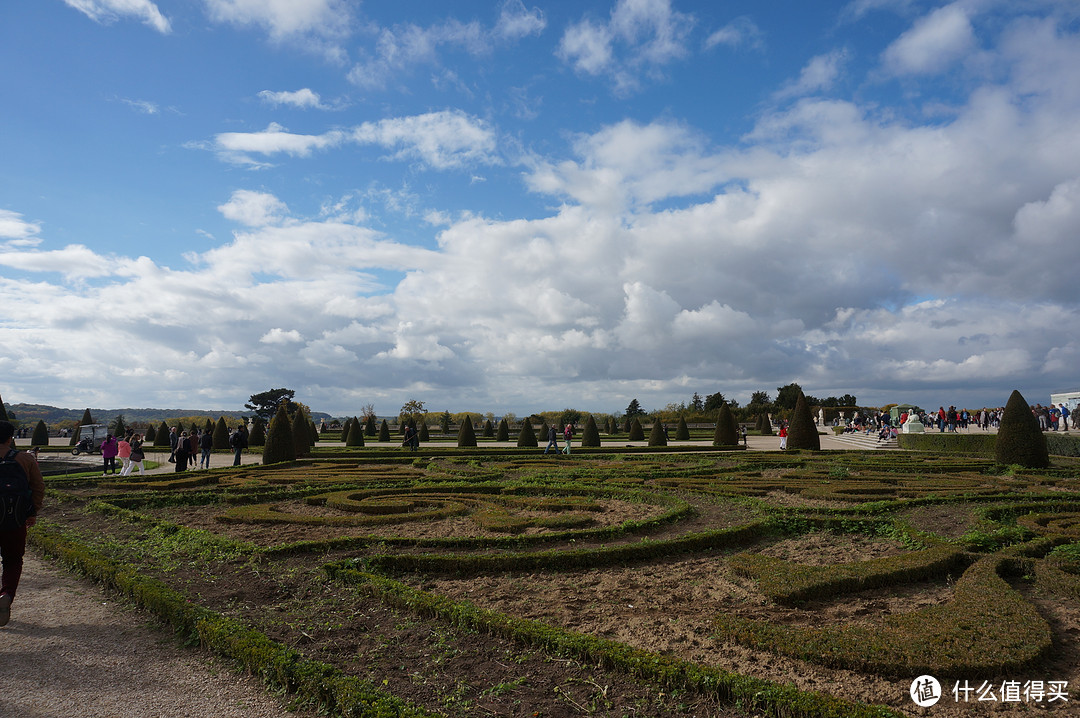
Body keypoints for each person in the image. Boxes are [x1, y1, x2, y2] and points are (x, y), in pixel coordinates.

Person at [0, 420, 45, 627]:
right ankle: (7, 594)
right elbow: (38, 487)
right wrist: (32, 512)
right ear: (11, 438)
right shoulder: (25, 459)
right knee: (13, 560)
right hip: (14, 519)